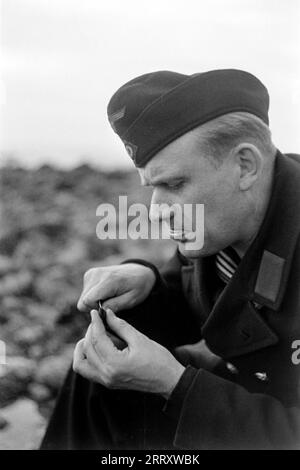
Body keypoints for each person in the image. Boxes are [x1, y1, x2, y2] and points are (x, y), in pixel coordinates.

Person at [41, 69, 300, 450]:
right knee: (107, 361)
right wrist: (147, 284)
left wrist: (173, 384)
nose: (157, 211)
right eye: (153, 187)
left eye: (175, 185)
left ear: (245, 165)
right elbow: (203, 299)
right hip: (251, 407)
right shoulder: (228, 217)